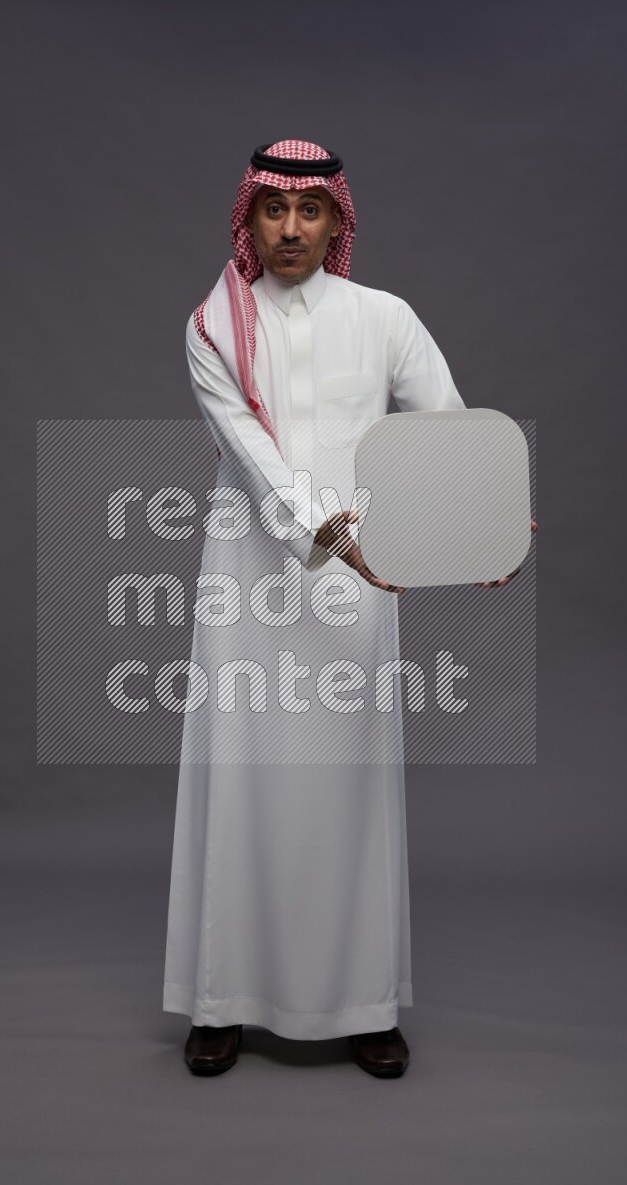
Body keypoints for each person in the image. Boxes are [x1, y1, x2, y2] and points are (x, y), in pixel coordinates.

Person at [162, 140, 524, 1078]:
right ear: (248, 219)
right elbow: (252, 456)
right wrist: (328, 532)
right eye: (272, 211)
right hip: (248, 579)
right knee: (241, 783)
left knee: (353, 790)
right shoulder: (214, 325)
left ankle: (364, 1002)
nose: (290, 229)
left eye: (309, 211)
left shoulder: (385, 318)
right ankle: (222, 999)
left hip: (360, 590)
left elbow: (443, 425)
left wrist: (482, 522)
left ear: (337, 220)